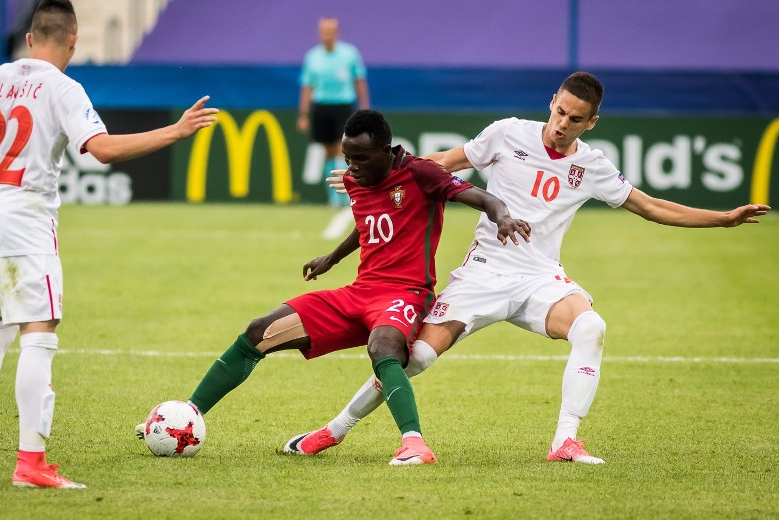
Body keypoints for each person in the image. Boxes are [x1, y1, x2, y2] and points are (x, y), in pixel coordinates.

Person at [284, 71, 770, 464]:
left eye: (575, 119)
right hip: (482, 274)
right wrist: (371, 173)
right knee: (415, 360)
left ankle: (565, 441)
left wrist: (723, 220)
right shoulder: (507, 133)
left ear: (591, 122)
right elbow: (441, 163)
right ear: (552, 101)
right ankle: (333, 431)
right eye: (559, 110)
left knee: (591, 326)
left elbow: (649, 206)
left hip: (540, 278)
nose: (562, 124)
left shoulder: (594, 166)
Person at [0, 0, 217, 489]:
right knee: (38, 335)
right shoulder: (63, 88)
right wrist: (175, 131)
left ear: (29, 38)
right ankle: (31, 462)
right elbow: (101, 150)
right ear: (74, 41)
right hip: (23, 223)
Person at [137, 109, 530, 465]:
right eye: (347, 158)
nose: (351, 168)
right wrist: (333, 258)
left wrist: (503, 217)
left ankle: (414, 444)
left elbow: (482, 197)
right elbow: (370, 226)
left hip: (405, 293)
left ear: (386, 151)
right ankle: (186, 415)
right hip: (359, 292)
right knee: (260, 331)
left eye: (360, 158)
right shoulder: (355, 179)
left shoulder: (420, 173)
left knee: (384, 348)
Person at [297, 17, 369, 207]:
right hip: (322, 107)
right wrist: (303, 115)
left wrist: (364, 108)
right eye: (324, 30)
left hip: (343, 106)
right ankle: (333, 196)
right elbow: (307, 87)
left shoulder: (350, 53)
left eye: (331, 30)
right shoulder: (313, 57)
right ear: (320, 33)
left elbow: (359, 81)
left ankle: (345, 194)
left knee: (341, 148)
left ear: (337, 32)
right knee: (328, 151)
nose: (327, 34)